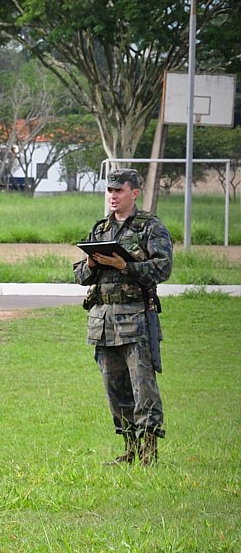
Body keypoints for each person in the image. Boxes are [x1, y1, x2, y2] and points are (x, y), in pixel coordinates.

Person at [75, 167, 173, 465]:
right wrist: (92, 263)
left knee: (143, 387)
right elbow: (80, 276)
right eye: (110, 190)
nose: (113, 196)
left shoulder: (150, 228)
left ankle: (149, 452)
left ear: (135, 192)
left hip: (136, 320)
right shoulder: (101, 229)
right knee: (115, 389)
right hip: (103, 322)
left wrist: (124, 266)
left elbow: (162, 269)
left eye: (119, 190)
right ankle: (130, 449)